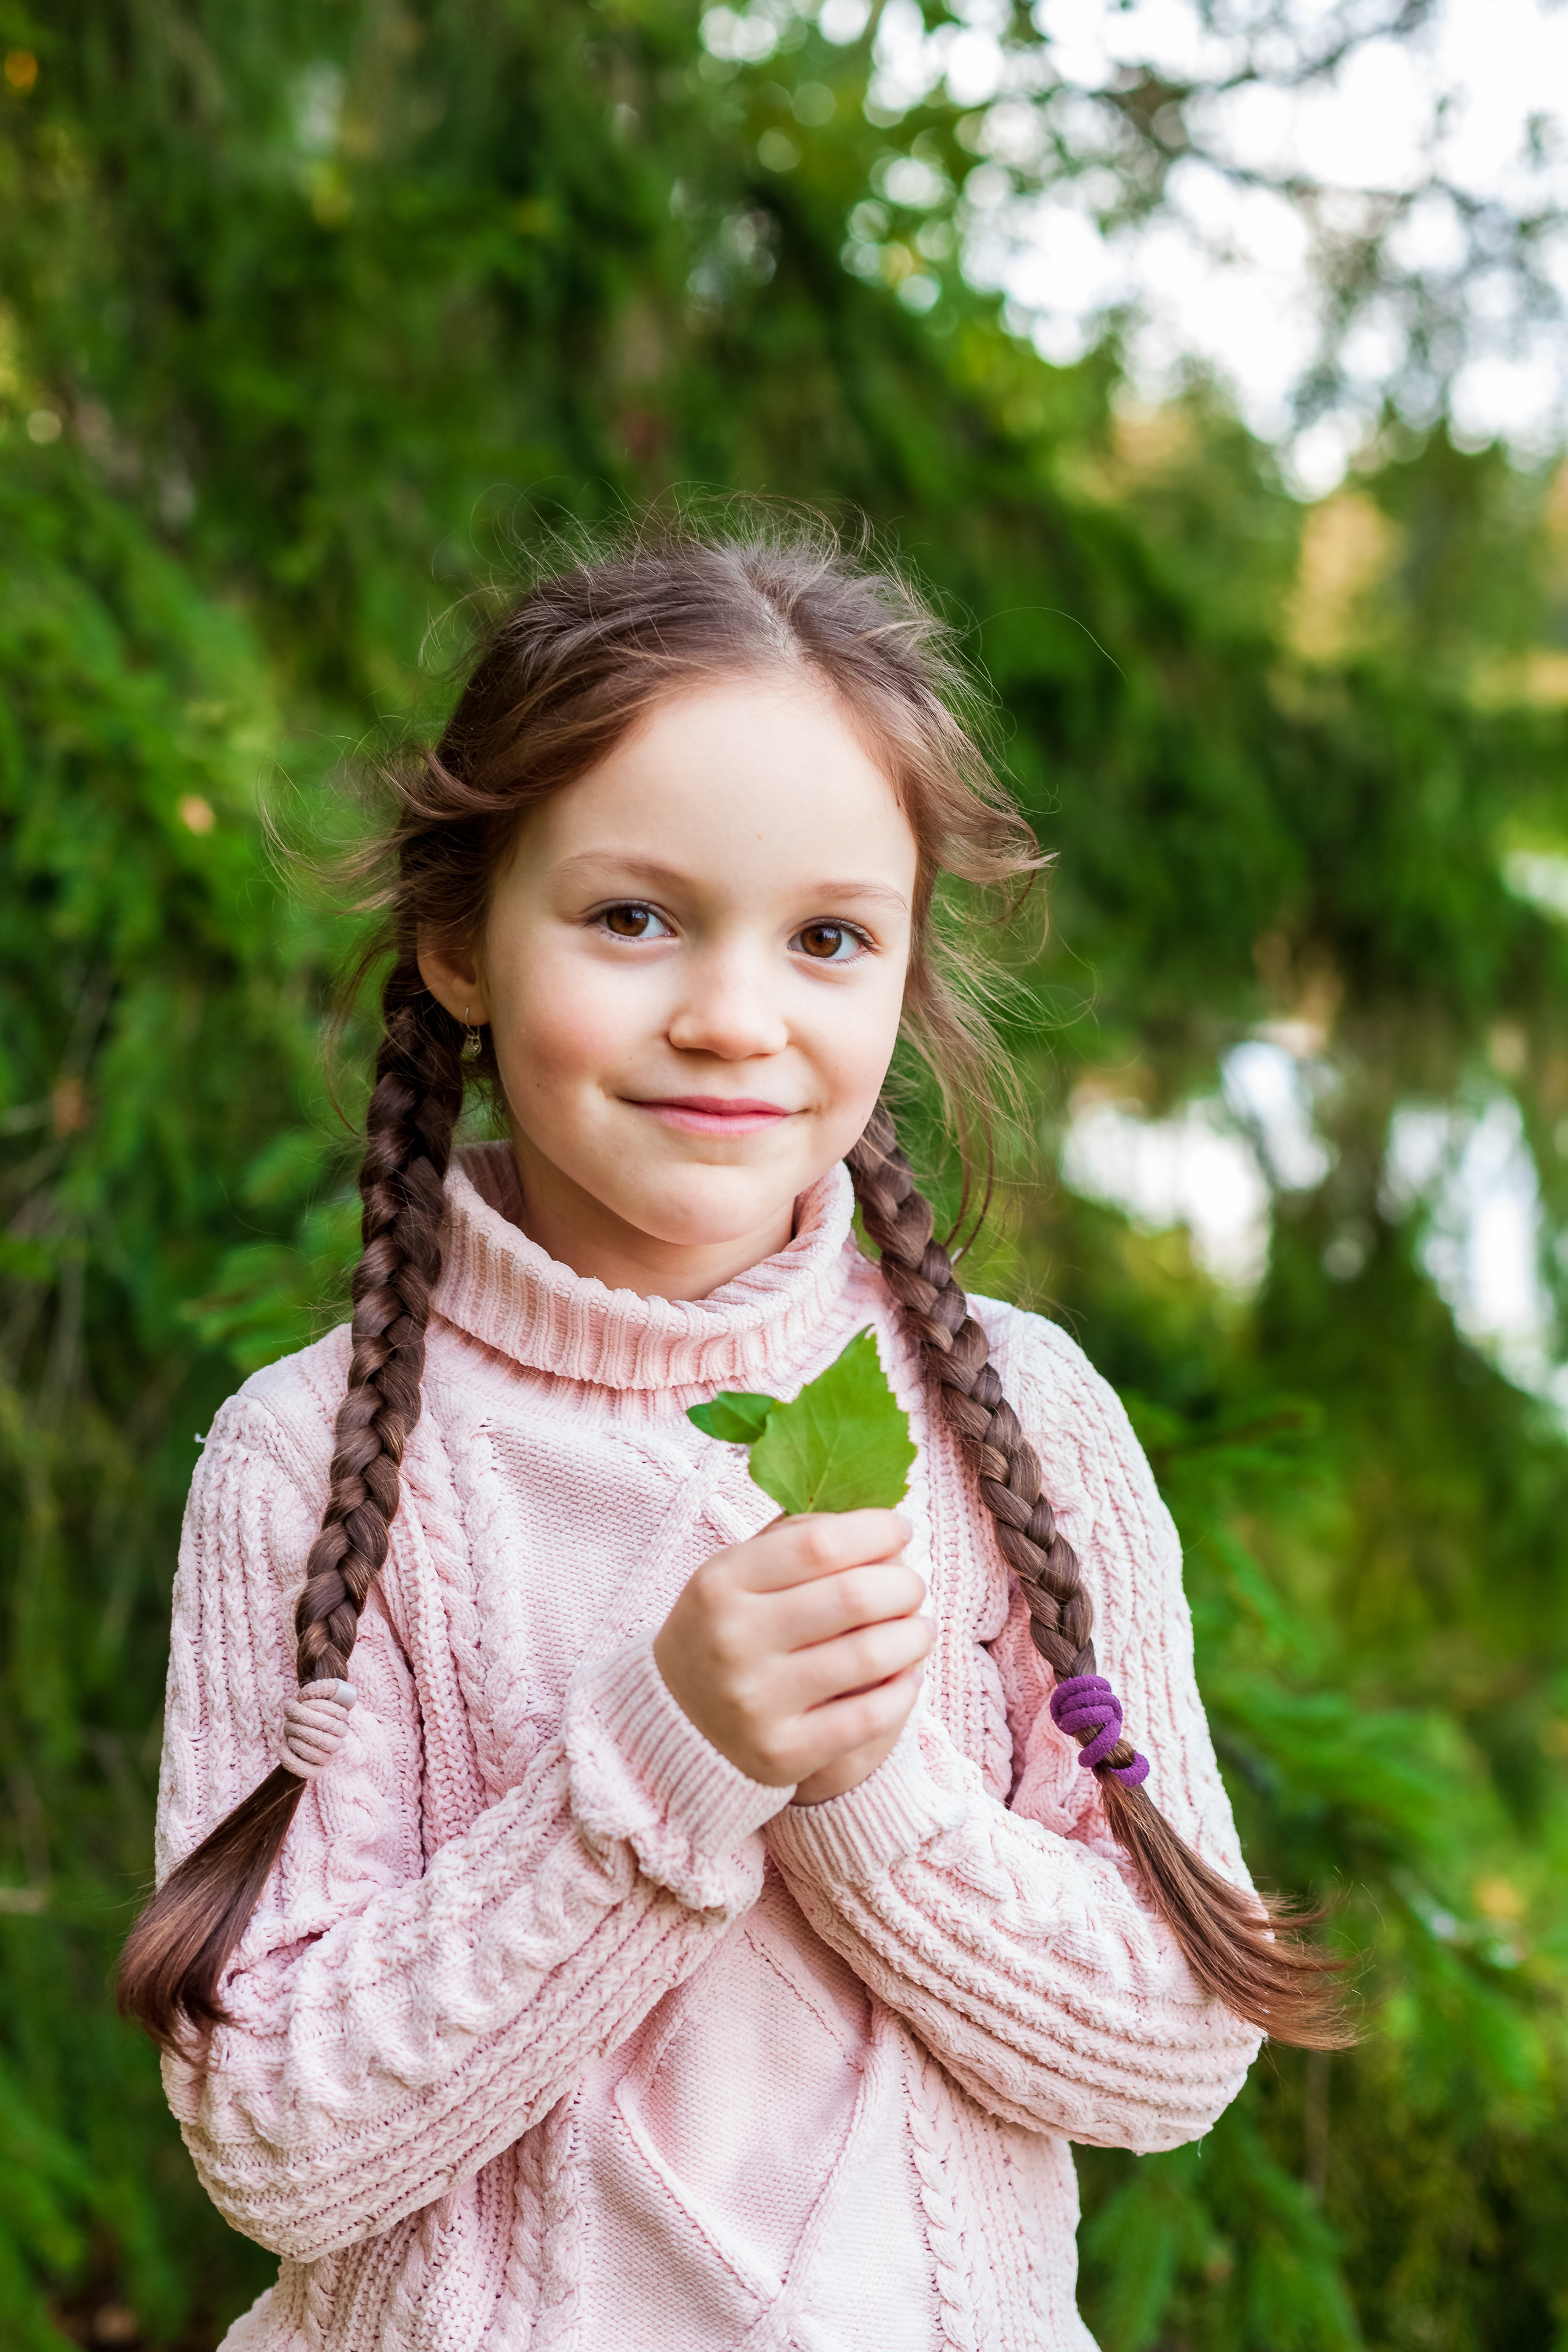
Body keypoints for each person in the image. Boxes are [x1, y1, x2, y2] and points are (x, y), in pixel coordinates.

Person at [119, 522, 1343, 2352]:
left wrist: (870, 1788)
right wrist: (664, 1762)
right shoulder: (304, 1465)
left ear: (905, 969)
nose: (731, 1016)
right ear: (459, 940)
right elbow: (276, 2143)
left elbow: (1171, 2049)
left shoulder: (1020, 1425)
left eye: (829, 937)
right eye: (633, 915)